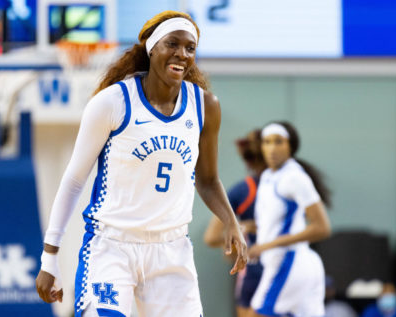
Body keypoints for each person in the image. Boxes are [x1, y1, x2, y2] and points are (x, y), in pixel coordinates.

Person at [35, 10, 247, 317]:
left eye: (190, 48)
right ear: (151, 47)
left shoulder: (205, 106)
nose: (182, 54)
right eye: (172, 44)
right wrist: (49, 256)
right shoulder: (113, 102)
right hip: (111, 246)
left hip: (171, 248)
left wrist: (231, 221)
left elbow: (208, 179)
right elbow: (74, 180)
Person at [247, 121, 332, 317]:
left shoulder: (294, 177)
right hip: (292, 264)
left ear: (291, 146)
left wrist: (266, 245)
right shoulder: (269, 176)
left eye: (279, 142)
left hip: (289, 262)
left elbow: (322, 228)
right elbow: (278, 223)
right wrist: (251, 228)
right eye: (267, 142)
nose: (272, 148)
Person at [204, 129, 266, 317]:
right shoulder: (245, 190)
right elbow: (212, 237)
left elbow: (211, 237)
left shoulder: (246, 189)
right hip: (257, 270)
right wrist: (242, 230)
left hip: (265, 269)